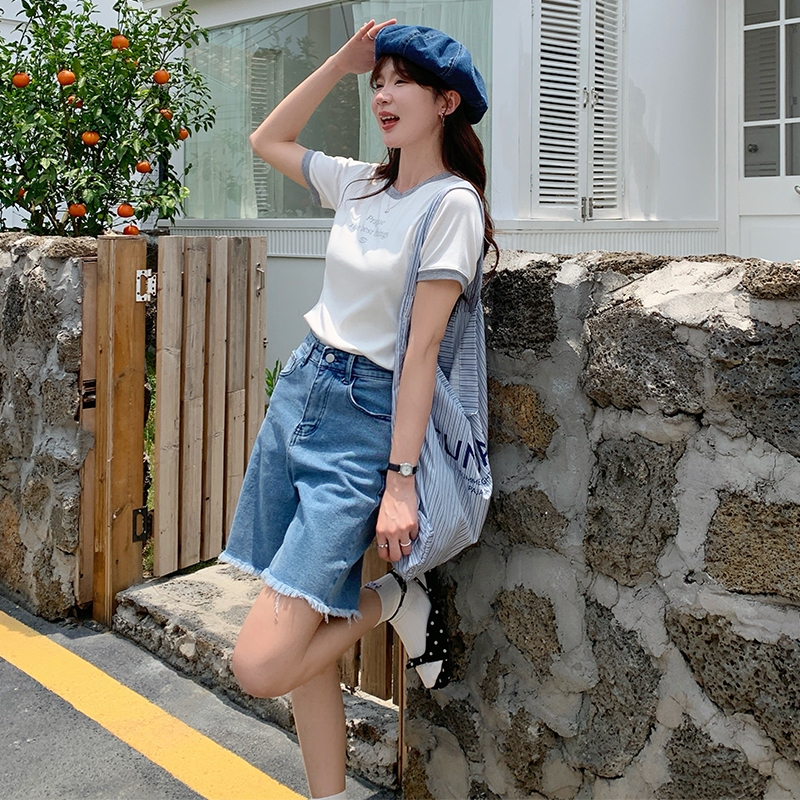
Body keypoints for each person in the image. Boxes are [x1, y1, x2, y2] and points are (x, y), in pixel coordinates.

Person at [218, 19, 496, 800]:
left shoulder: (451, 206)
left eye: (401, 82)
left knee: (260, 664)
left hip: (364, 422)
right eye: (378, 82)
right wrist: (341, 64)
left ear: (446, 102)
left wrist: (399, 481)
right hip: (301, 393)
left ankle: (393, 599)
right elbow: (267, 139)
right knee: (304, 623)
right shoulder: (360, 183)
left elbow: (421, 352)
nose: (383, 95)